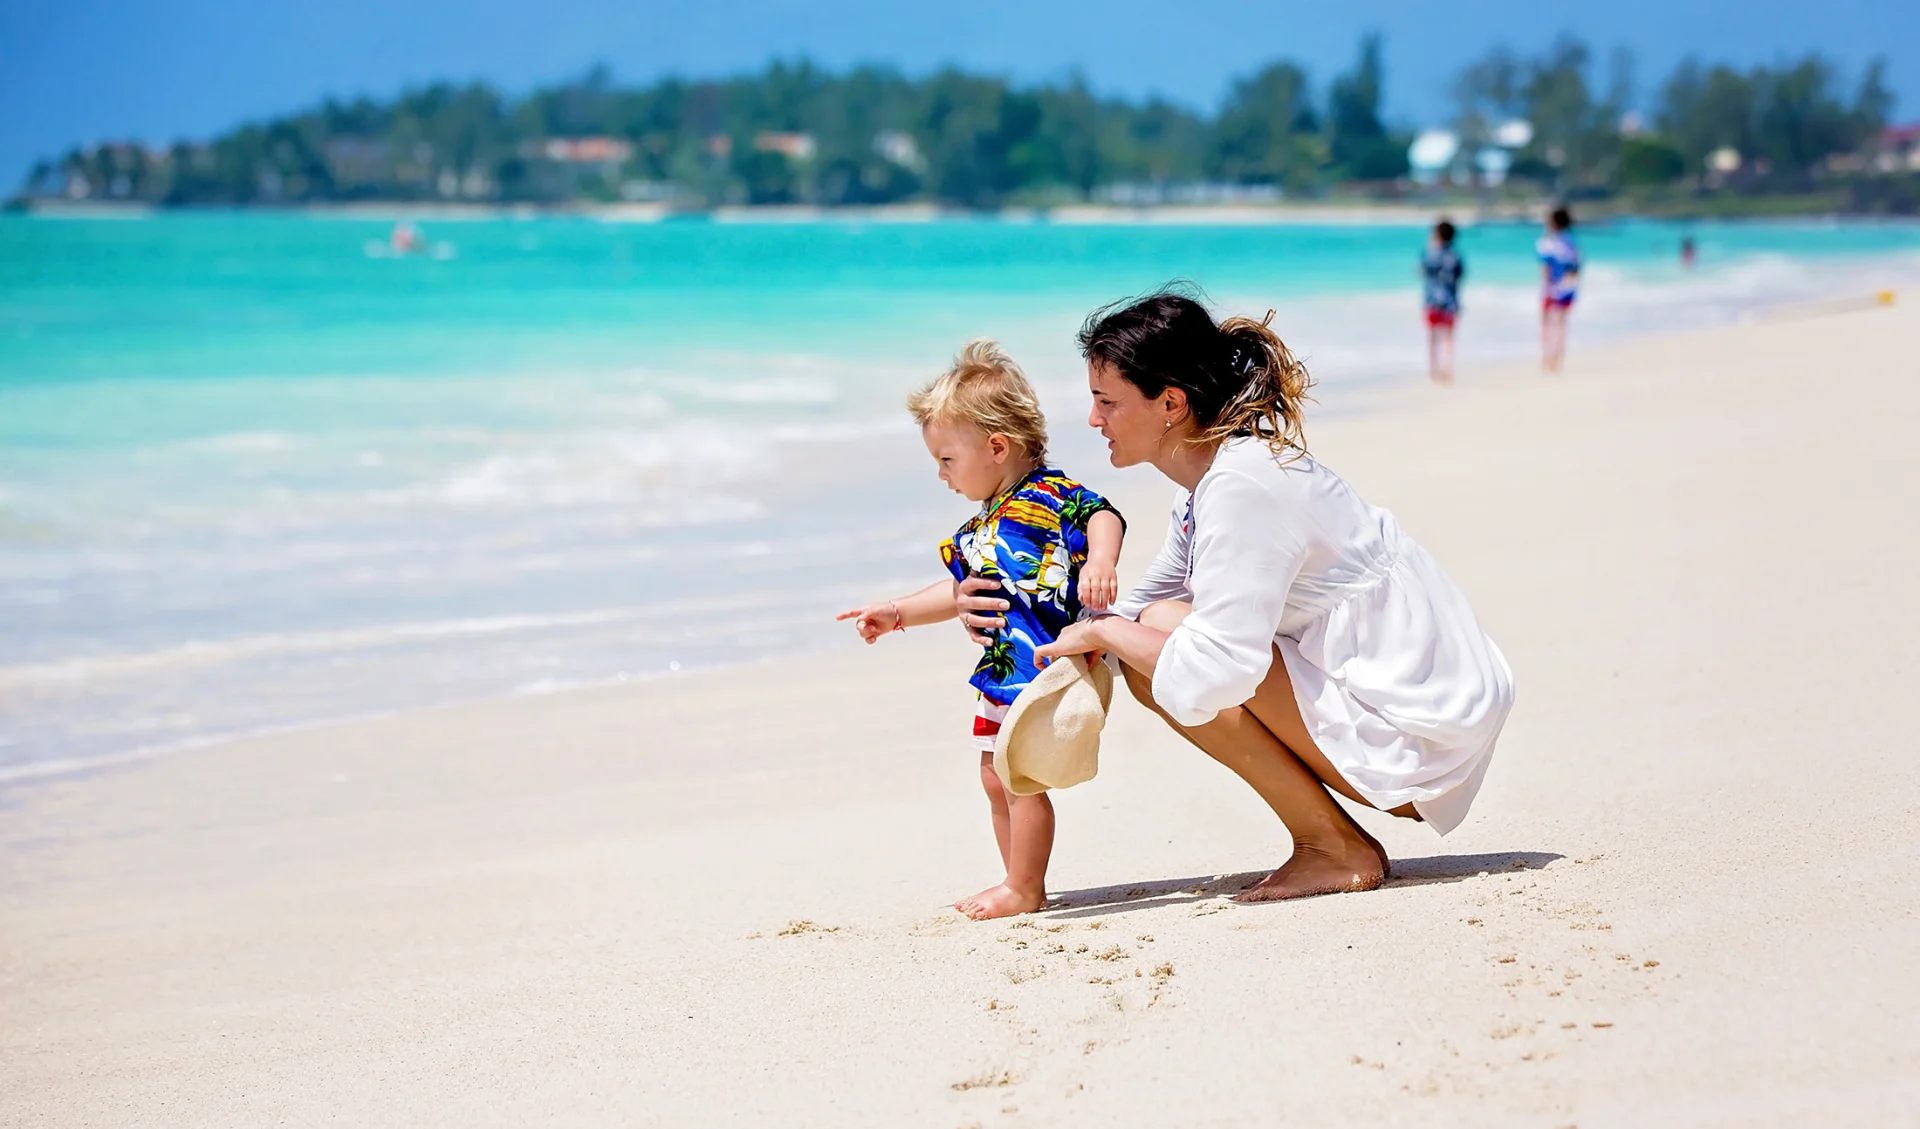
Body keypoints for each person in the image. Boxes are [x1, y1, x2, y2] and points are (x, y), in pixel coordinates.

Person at [960, 293, 1513, 902]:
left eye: (1107, 401)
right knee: (1153, 626)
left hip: (1419, 734)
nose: (1094, 421)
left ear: (1170, 403)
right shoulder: (1210, 481)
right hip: (1414, 705)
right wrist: (1018, 618)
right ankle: (1329, 839)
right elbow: (1140, 602)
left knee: (1158, 646)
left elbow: (1214, 671)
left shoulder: (1242, 487)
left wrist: (1101, 634)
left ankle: (1331, 846)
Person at [838, 340, 1125, 920]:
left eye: (947, 459)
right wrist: (897, 613)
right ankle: (1015, 880)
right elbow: (958, 591)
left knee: (1020, 781)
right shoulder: (978, 529)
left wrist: (1099, 562)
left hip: (1045, 668)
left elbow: (1104, 514)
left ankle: (1025, 887)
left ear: (997, 447)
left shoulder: (1053, 496)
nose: (941, 475)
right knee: (996, 778)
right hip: (1000, 677)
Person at [1421, 219, 1465, 384]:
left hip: (1432, 301)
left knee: (1433, 337)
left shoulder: (1431, 254)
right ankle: (1448, 369)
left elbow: (1422, 271)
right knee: (1448, 337)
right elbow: (1459, 277)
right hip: (1450, 301)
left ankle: (1434, 370)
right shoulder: (1455, 256)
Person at [1537, 206, 1581, 372]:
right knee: (1562, 322)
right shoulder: (1571, 242)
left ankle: (1547, 356)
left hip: (1552, 287)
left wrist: (1547, 288)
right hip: (1569, 287)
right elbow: (1576, 267)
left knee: (1546, 322)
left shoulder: (1549, 242)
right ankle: (1559, 355)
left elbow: (1545, 268)